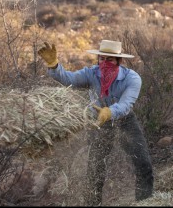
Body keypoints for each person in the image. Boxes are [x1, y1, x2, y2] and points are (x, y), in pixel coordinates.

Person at [38, 40, 154, 206]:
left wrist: (109, 112)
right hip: (99, 124)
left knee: (143, 163)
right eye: (102, 59)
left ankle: (145, 203)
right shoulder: (91, 73)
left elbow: (126, 104)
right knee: (95, 170)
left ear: (119, 61)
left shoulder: (132, 78)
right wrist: (54, 65)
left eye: (110, 60)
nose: (105, 63)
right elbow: (68, 79)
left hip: (125, 121)